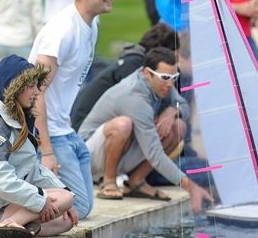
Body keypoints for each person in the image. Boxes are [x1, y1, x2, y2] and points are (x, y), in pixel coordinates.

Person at [29, 0, 117, 219]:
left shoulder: (92, 24)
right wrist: (46, 152)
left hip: (65, 129)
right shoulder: (61, 31)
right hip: (48, 134)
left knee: (85, 205)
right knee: (80, 209)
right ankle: (9, 203)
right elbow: (35, 93)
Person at [0, 55, 78, 238]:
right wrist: (41, 201)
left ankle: (19, 226)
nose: (37, 92)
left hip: (3, 204)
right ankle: (6, 225)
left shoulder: (19, 121)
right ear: (13, 87)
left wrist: (63, 195)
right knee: (64, 199)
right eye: (30, 86)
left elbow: (33, 169)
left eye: (37, 85)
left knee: (66, 219)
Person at [78, 47, 212, 214]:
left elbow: (182, 105)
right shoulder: (134, 96)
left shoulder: (162, 84)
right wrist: (191, 187)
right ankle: (109, 181)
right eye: (165, 78)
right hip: (88, 156)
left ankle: (136, 181)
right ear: (147, 73)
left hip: (120, 151)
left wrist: (172, 111)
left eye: (174, 77)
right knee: (123, 125)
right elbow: (154, 154)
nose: (170, 84)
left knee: (178, 127)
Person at [70, 22, 177, 131]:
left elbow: (176, 100)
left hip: (98, 125)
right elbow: (137, 109)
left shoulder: (138, 62)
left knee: (174, 124)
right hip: (85, 130)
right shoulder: (134, 65)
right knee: (132, 124)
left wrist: (172, 109)